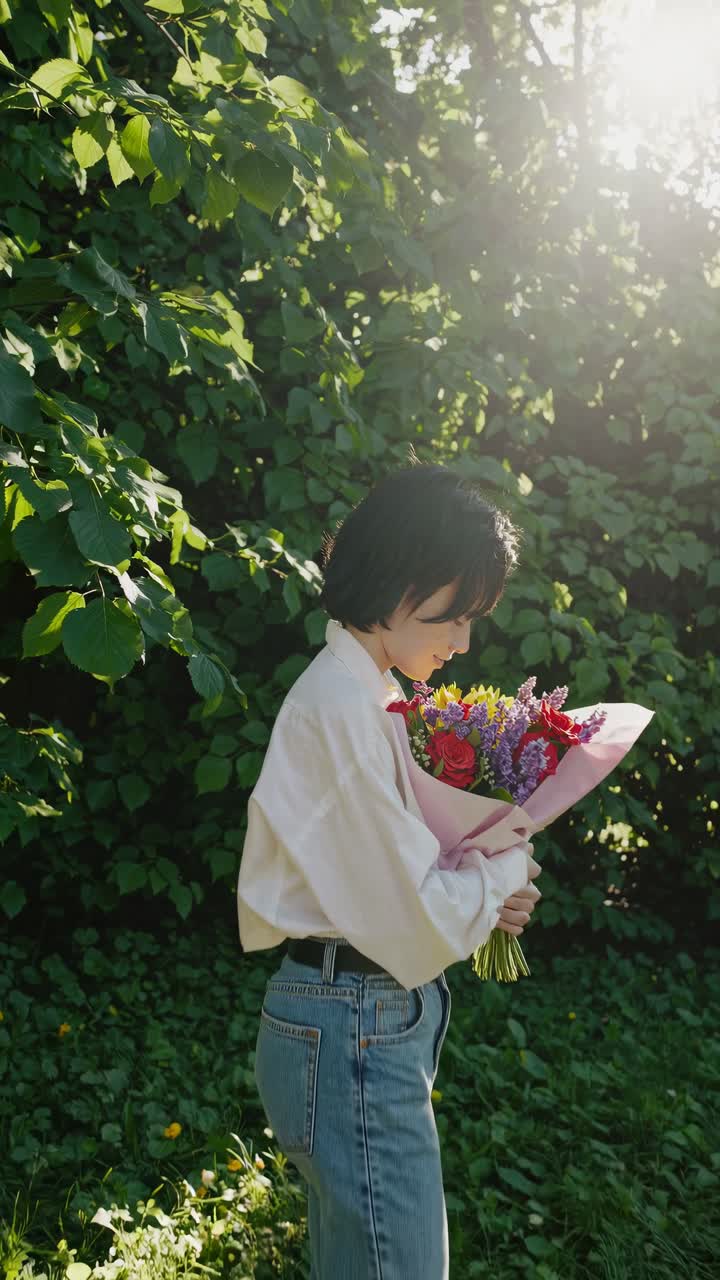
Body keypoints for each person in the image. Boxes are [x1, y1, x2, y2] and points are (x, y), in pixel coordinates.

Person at [237, 458, 542, 1280]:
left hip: (354, 1015)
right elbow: (411, 912)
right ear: (404, 581)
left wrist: (482, 878)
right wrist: (503, 871)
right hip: (354, 1022)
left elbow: (392, 872)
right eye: (457, 614)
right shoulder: (340, 705)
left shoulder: (362, 693)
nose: (464, 640)